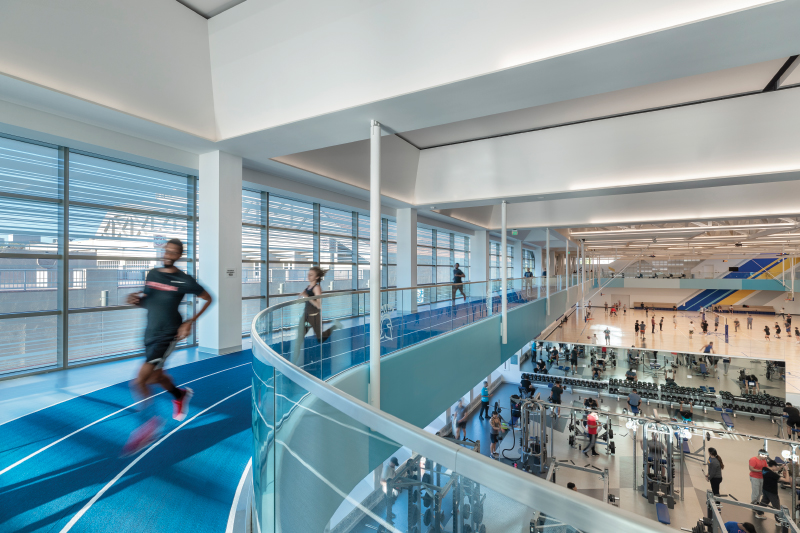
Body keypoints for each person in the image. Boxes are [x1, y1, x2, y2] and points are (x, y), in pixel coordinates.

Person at [123, 238, 212, 455]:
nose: (168, 254)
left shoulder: (184, 280)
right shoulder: (153, 274)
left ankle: (149, 423)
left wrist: (190, 322)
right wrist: (135, 300)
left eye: (173, 251)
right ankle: (180, 395)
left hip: (168, 334)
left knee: (139, 381)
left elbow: (208, 298)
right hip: (150, 332)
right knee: (157, 376)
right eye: (167, 250)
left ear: (179, 255)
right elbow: (149, 301)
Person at [300, 266, 341, 343]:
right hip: (306, 315)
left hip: (314, 317)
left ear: (317, 277)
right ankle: (292, 354)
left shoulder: (317, 288)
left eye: (311, 275)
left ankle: (334, 326)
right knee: (300, 336)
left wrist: (307, 297)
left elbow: (318, 305)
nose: (308, 276)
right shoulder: (308, 287)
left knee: (321, 339)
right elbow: (308, 300)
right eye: (308, 274)